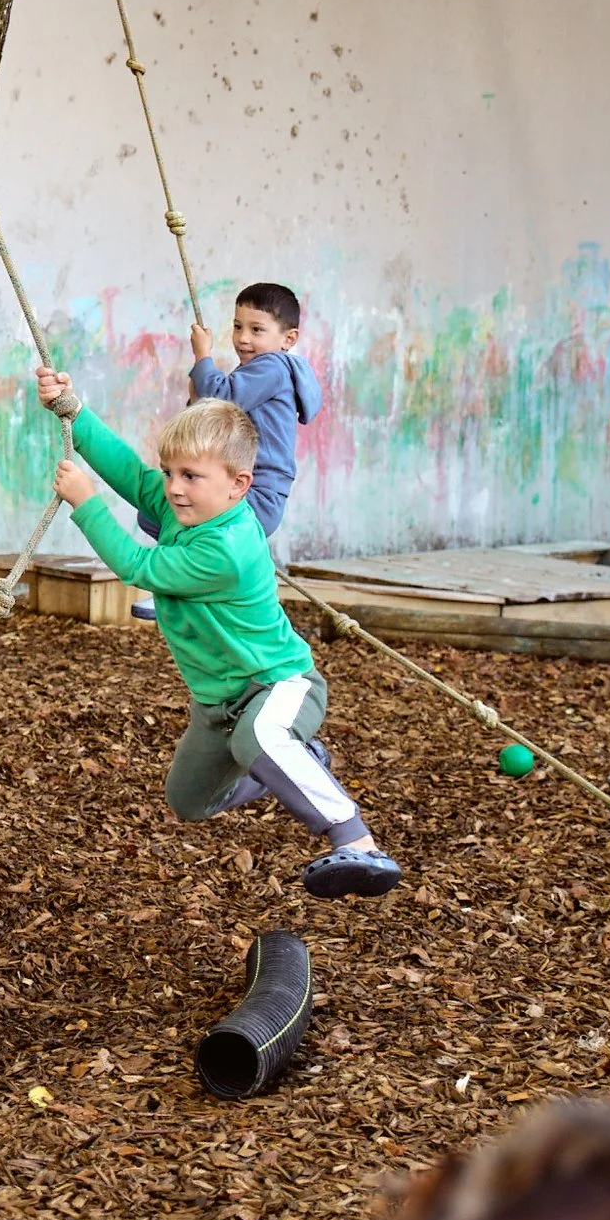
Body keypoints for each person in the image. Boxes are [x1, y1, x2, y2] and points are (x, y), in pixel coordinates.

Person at [38, 367, 400, 899]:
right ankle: (300, 762)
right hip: (218, 704)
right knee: (189, 800)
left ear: (238, 484)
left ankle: (359, 843)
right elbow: (132, 475)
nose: (174, 489)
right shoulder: (183, 510)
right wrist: (73, 411)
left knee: (261, 737)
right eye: (171, 473)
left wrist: (86, 503)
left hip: (277, 684)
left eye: (191, 476)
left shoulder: (226, 548)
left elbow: (137, 565)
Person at [132, 282, 320, 620]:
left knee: (170, 516)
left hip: (253, 493)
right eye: (237, 326)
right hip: (247, 490)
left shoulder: (273, 367)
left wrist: (203, 356)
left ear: (288, 339)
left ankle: (173, 587)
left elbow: (224, 398)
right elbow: (216, 416)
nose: (243, 338)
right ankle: (193, 591)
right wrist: (196, 396)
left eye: (256, 329)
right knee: (156, 514)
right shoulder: (263, 371)